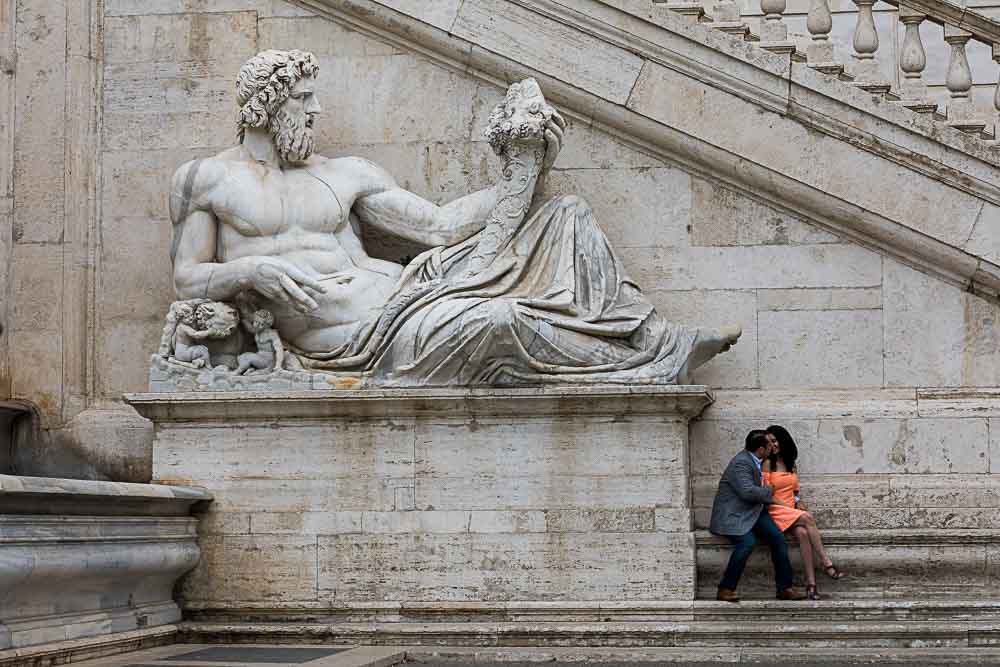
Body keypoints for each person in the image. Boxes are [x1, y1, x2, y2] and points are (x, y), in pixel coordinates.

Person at [167, 49, 741, 386]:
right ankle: (643, 364)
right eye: (305, 99)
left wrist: (529, 167)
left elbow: (439, 226)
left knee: (565, 214)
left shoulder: (346, 173)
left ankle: (652, 339)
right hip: (356, 340)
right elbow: (188, 276)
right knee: (501, 320)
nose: (317, 110)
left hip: (413, 293)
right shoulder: (208, 180)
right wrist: (248, 274)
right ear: (268, 104)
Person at [709, 430, 806, 602]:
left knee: (777, 539)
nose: (772, 447)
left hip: (755, 511)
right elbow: (748, 493)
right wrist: (769, 489)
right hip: (735, 514)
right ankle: (726, 588)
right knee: (747, 542)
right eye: (769, 445)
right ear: (761, 449)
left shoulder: (758, 460)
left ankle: (785, 588)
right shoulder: (741, 463)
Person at [763, 424, 843, 600]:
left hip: (790, 511)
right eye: (768, 442)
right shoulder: (768, 464)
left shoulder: (791, 464)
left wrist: (798, 503)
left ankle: (811, 585)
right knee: (807, 518)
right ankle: (826, 562)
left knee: (803, 534)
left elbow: (795, 492)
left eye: (775, 441)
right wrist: (788, 507)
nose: (772, 445)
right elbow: (765, 494)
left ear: (782, 440)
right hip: (775, 510)